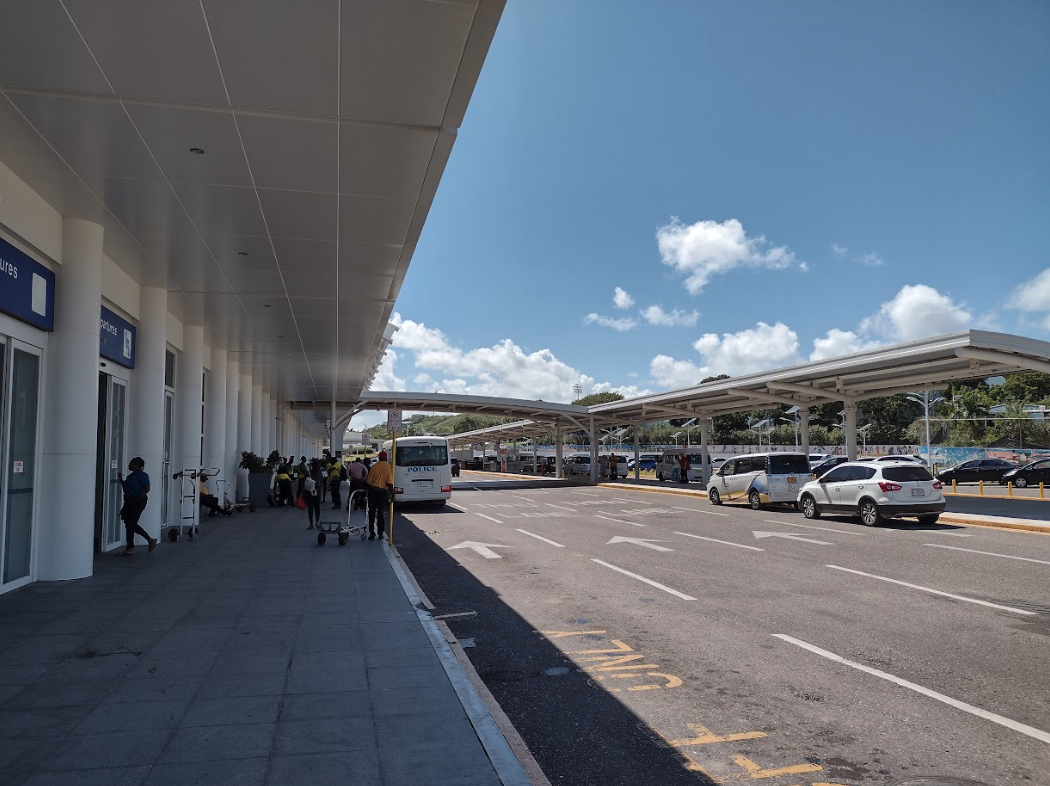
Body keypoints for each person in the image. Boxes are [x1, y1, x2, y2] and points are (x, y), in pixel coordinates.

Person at [117, 457, 157, 556]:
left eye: (132, 463)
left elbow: (147, 488)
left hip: (137, 501)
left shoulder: (142, 475)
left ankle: (149, 539)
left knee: (131, 523)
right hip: (129, 500)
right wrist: (121, 480)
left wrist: (139, 497)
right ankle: (129, 548)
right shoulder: (131, 476)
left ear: (137, 465)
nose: (129, 465)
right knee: (128, 524)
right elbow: (126, 488)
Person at [365, 450, 394, 541]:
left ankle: (372, 533)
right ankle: (380, 533)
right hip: (382, 493)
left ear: (379, 458)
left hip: (373, 491)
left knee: (371, 512)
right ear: (385, 457)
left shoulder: (374, 467)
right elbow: (389, 482)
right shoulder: (389, 467)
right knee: (381, 513)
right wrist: (392, 494)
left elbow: (368, 481)